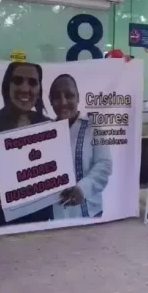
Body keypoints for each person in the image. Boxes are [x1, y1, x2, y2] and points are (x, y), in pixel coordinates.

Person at [0, 62, 52, 229]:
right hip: (2, 216)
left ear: (39, 89)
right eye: (18, 80)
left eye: (32, 82)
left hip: (42, 216)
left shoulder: (49, 126)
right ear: (7, 86)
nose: (25, 88)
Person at [49, 74, 112, 219]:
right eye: (57, 97)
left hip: (89, 213)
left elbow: (104, 164)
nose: (63, 102)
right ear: (50, 101)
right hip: (54, 217)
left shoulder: (93, 126)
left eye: (69, 95)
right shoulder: (44, 132)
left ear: (78, 97)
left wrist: (82, 189)